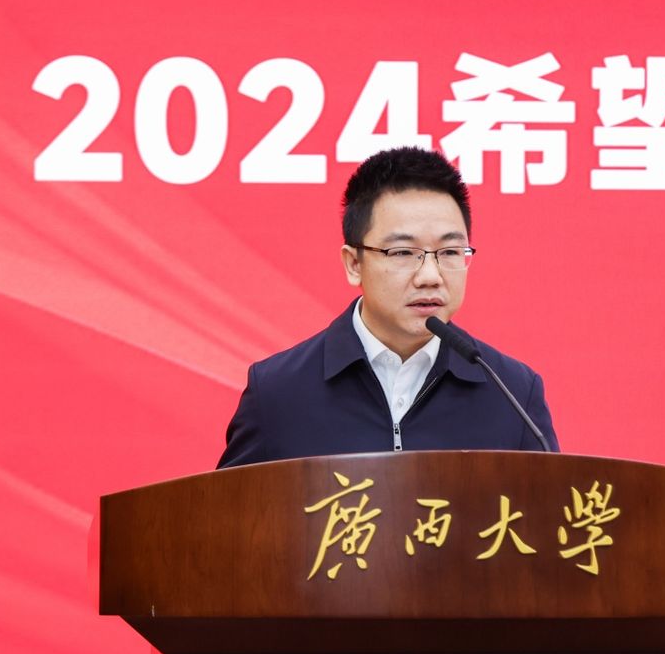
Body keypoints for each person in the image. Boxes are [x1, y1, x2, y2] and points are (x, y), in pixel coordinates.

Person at [217, 147, 559, 468]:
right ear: (354, 264)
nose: (430, 276)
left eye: (450, 252)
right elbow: (230, 509)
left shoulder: (513, 392)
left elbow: (549, 509)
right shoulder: (277, 393)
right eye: (403, 253)